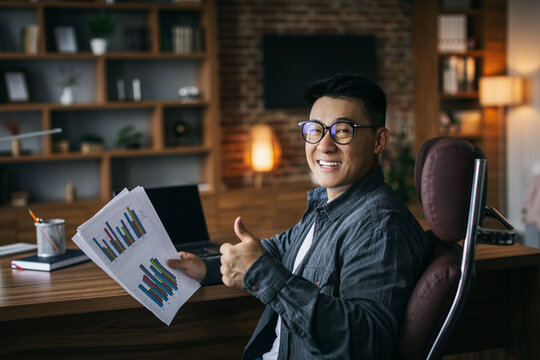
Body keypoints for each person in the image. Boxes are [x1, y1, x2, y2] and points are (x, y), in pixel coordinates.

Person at [168, 73, 428, 359]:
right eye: (315, 129)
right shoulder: (328, 208)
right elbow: (280, 249)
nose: (324, 145)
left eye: (342, 130)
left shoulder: (379, 226)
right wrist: (207, 268)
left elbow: (363, 342)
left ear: (379, 140)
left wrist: (264, 276)